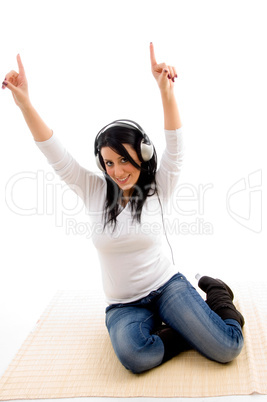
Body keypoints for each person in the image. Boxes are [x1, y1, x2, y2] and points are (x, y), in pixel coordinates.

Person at [3, 43, 244, 374]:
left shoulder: (159, 186)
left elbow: (176, 147)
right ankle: (184, 331)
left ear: (142, 155)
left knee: (228, 345)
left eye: (124, 159)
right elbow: (54, 153)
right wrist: (24, 103)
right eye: (109, 162)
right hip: (123, 305)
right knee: (136, 357)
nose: (117, 170)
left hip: (167, 287)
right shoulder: (93, 189)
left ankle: (215, 292)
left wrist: (166, 92)